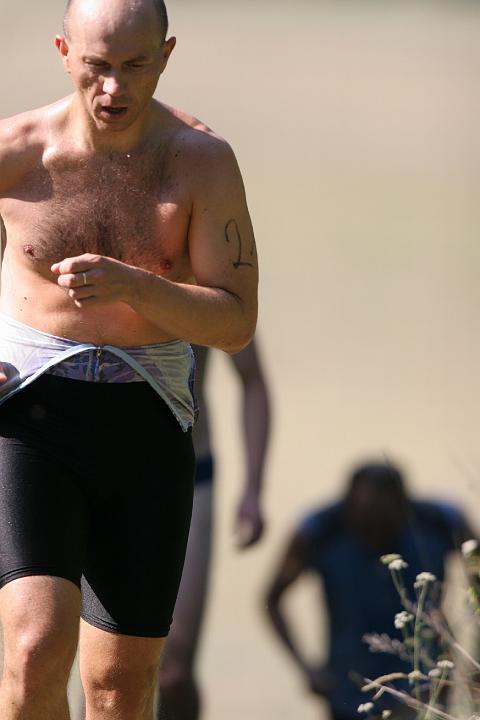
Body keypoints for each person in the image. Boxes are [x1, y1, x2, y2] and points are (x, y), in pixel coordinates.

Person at [0, 0, 258, 717]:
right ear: (63, 53)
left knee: (121, 686)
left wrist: (137, 287)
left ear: (167, 54)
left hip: (148, 420)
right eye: (97, 67)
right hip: (29, 416)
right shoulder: (14, 152)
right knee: (33, 651)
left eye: (136, 66)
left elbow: (237, 323)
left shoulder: (201, 163)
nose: (114, 88)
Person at [264, 461, 473, 720]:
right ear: (349, 510)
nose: (375, 533)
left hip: (426, 683)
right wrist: (305, 668)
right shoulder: (319, 532)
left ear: (404, 510)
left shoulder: (440, 523)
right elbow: (271, 600)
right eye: (367, 522)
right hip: (347, 687)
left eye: (385, 524)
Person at [156, 339, 270, 720]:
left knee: (174, 670)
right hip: (89, 472)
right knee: (94, 663)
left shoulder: (205, 293)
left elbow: (252, 379)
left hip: (187, 472)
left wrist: (253, 489)